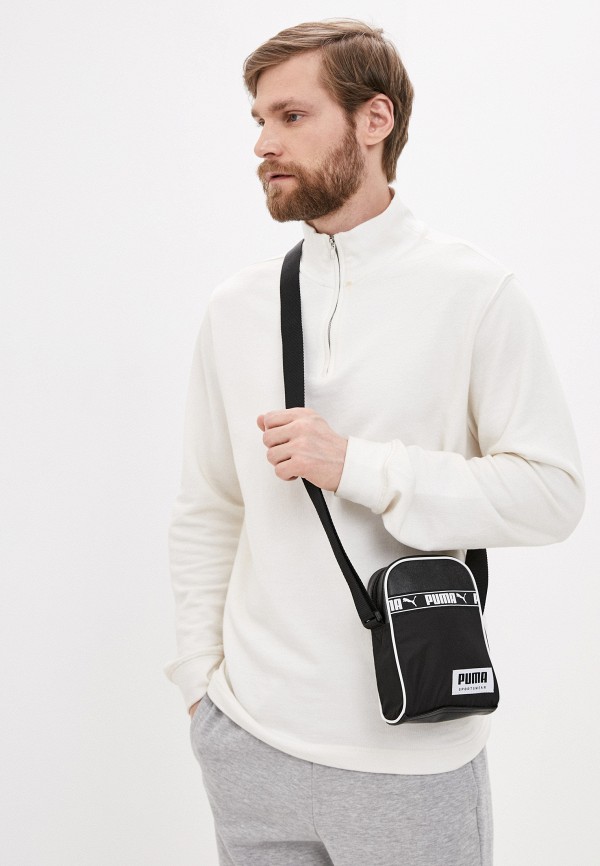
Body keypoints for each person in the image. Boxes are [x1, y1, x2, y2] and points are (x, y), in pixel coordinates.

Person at [164, 19, 585, 866]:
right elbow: (209, 507)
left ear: (374, 119)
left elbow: (552, 495)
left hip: (408, 753)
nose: (263, 144)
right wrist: (201, 688)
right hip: (248, 743)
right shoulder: (237, 307)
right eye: (259, 120)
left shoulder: (475, 293)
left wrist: (358, 465)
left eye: (291, 116)